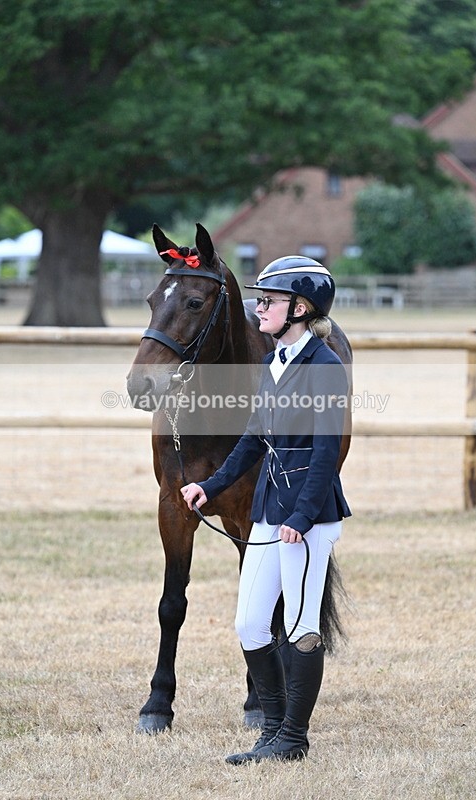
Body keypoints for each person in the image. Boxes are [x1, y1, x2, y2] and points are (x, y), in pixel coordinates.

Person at [181, 256, 351, 764]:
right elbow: (254, 438)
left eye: (269, 301)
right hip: (267, 510)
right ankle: (272, 730)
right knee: (250, 624)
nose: (259, 307)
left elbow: (325, 454)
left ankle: (293, 739)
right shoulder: (271, 362)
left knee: (299, 628)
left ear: (300, 308)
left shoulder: (325, 368)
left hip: (309, 518)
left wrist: (300, 519)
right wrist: (209, 486)